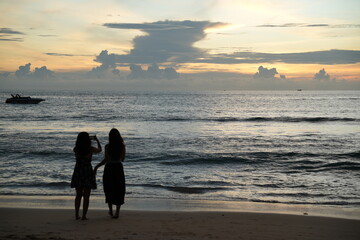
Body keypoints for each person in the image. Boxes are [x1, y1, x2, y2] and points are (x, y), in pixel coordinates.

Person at [94, 128, 126, 219]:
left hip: (109, 168)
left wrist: (96, 167)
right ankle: (117, 213)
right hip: (118, 168)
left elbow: (106, 160)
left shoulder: (107, 146)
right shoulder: (122, 146)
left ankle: (111, 211)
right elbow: (123, 159)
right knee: (119, 189)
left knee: (109, 188)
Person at [70, 132, 102, 220]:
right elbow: (100, 150)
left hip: (78, 170)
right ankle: (84, 216)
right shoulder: (90, 149)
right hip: (87, 171)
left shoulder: (76, 149)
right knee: (87, 196)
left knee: (78, 195)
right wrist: (96, 140)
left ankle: (76, 214)